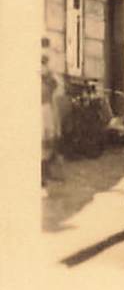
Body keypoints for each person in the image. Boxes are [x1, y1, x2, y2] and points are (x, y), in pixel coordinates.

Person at [41, 39, 64, 185]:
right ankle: (44, 172)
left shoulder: (49, 74)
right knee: (45, 140)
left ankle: (46, 171)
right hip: (43, 106)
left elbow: (56, 85)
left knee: (48, 139)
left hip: (47, 106)